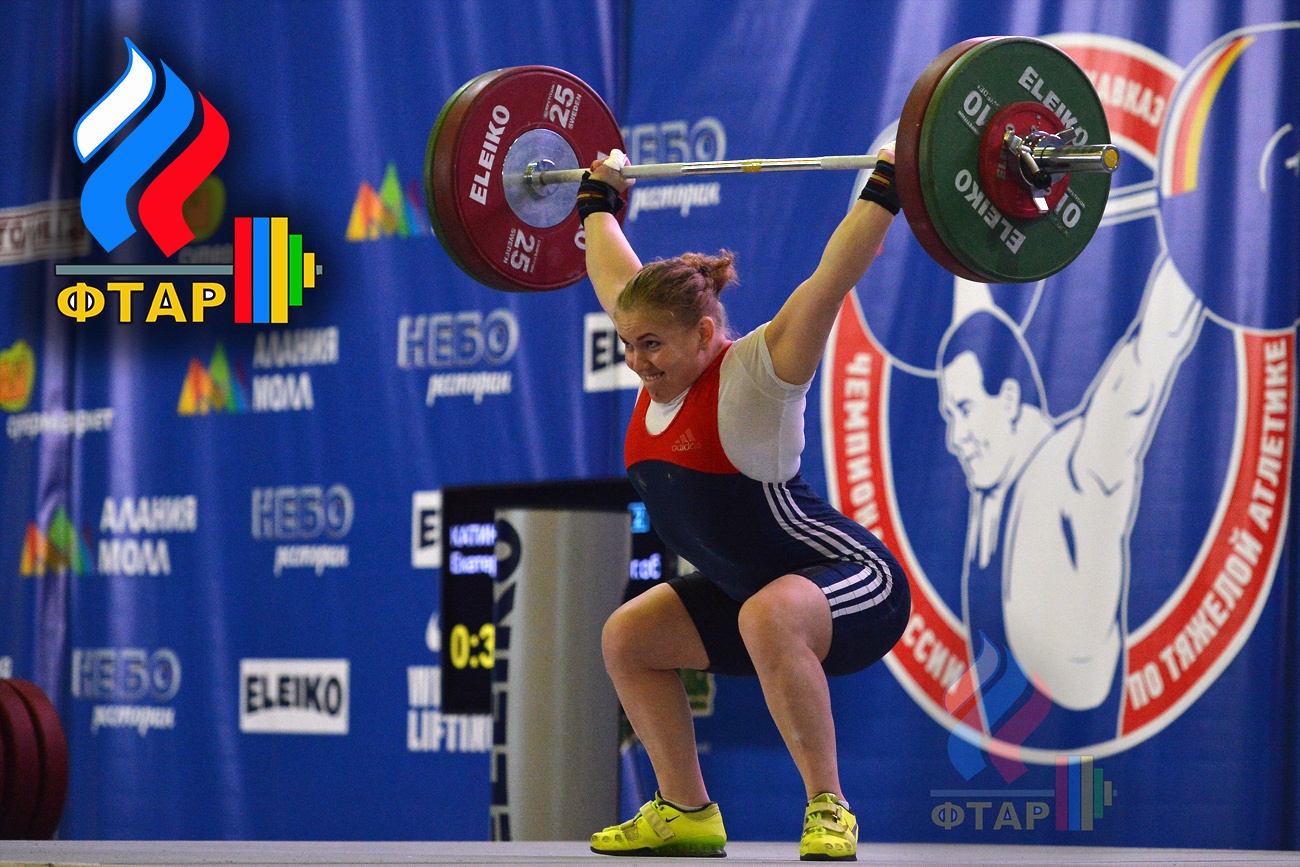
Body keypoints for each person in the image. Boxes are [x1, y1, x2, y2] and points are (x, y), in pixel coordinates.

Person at [578, 146, 911, 861]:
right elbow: (612, 275)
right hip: (757, 597)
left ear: (705, 334)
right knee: (628, 638)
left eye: (652, 345)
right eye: (628, 344)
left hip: (856, 583)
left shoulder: (759, 373)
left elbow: (831, 278)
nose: (637, 360)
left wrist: (889, 184)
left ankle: (829, 806)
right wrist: (596, 203)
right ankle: (685, 810)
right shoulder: (656, 363)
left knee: (768, 615)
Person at [938, 258, 1202, 747]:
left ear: (1010, 399)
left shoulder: (1079, 468)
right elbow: (973, 309)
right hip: (1002, 764)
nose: (956, 438)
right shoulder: (993, 485)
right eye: (950, 416)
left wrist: (1190, 246)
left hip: (1085, 770)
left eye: (966, 410)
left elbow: (1149, 355)